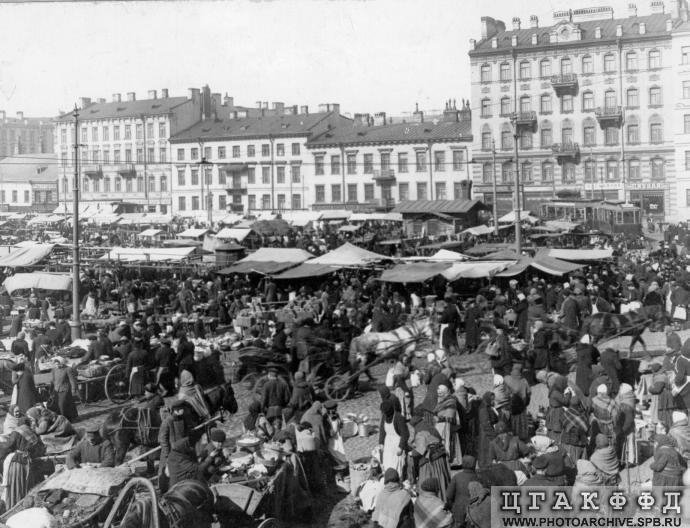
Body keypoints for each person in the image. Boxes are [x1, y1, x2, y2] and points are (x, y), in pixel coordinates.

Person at [0, 417, 48, 509]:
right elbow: (40, 448)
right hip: (28, 463)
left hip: (16, 462)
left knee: (15, 485)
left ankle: (14, 505)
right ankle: (25, 504)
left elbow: (9, 446)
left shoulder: (17, 432)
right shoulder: (32, 433)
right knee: (25, 485)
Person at [158, 400, 195, 493]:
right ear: (175, 410)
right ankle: (164, 493)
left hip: (182, 452)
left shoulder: (183, 419)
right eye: (179, 409)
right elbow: (162, 440)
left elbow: (186, 434)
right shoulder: (167, 422)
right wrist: (167, 455)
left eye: (182, 408)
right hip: (170, 452)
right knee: (166, 475)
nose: (182, 410)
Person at [445, 455, 479, 528]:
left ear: (463, 464)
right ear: (474, 464)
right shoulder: (479, 478)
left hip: (458, 511)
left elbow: (448, 495)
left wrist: (452, 507)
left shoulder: (457, 477)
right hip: (475, 512)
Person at [378, 398, 408, 476]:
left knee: (397, 464)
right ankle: (388, 478)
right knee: (387, 462)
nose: (384, 413)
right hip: (388, 443)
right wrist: (381, 442)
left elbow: (405, 434)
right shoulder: (384, 416)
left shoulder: (398, 418)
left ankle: (398, 480)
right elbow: (382, 430)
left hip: (397, 443)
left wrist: (401, 447)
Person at [435, 384, 462, 467]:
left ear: (445, 393)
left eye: (441, 394)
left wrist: (439, 419)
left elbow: (450, 415)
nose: (439, 395)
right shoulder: (441, 401)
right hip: (442, 426)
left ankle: (452, 461)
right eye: (438, 394)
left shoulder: (451, 401)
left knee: (450, 444)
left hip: (449, 427)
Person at [50, 356, 78, 422]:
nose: (57, 365)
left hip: (65, 389)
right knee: (59, 404)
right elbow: (53, 380)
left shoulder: (68, 369)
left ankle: (64, 419)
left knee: (61, 404)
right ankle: (68, 417)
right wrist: (51, 389)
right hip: (57, 389)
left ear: (61, 363)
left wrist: (73, 389)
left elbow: (72, 380)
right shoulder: (54, 370)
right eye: (55, 364)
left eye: (58, 364)